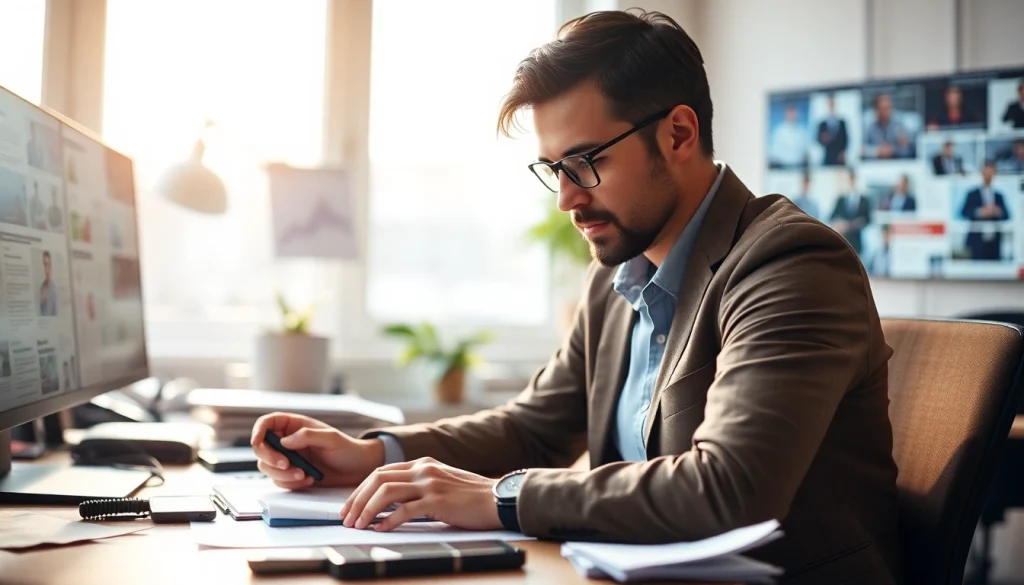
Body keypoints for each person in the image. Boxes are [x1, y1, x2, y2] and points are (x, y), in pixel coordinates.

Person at [251, 11, 901, 585]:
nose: (566, 198)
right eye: (553, 168)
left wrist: (502, 498)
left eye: (586, 161)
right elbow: (534, 429)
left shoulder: (789, 263)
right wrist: (375, 453)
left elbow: (730, 487)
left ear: (678, 134)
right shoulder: (616, 276)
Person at [960, 161, 1010, 261]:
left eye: (991, 173)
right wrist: (980, 212)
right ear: (982, 173)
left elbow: (1007, 215)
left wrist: (997, 211)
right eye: (986, 173)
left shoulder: (998, 196)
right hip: (976, 241)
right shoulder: (972, 194)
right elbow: (964, 212)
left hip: (994, 242)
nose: (988, 176)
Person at [829, 168, 873, 256]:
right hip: (843, 240)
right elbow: (831, 217)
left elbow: (869, 219)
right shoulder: (841, 200)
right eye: (850, 179)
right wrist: (839, 223)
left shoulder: (864, 201)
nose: (851, 182)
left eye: (853, 179)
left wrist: (855, 224)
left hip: (857, 241)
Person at [864, 93, 914, 159]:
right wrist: (877, 151)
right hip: (876, 166)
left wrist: (895, 149)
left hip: (897, 164)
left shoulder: (900, 125)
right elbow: (862, 150)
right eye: (883, 108)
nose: (886, 112)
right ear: (876, 110)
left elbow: (908, 151)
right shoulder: (870, 127)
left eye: (889, 107)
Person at [768, 104, 809, 169]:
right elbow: (774, 154)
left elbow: (806, 151)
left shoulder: (802, 131)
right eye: (790, 113)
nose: (792, 115)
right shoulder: (779, 131)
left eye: (794, 113)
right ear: (785, 114)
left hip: (799, 167)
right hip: (783, 167)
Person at [816, 94, 848, 165]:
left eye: (832, 103)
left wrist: (843, 152)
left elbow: (846, 139)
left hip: (840, 158)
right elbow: (818, 139)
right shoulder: (822, 124)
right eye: (830, 104)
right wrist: (825, 139)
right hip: (828, 158)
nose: (831, 105)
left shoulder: (842, 122)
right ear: (827, 105)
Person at [39, 250, 57, 316]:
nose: (46, 269)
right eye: (44, 265)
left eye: (48, 265)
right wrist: (42, 302)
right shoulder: (42, 287)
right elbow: (42, 312)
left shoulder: (54, 288)